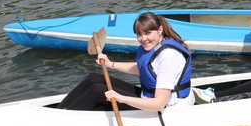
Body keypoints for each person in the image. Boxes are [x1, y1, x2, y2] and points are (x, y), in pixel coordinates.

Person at [57, 12, 192, 112]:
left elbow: (158, 104)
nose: (143, 39)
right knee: (94, 78)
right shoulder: (157, 45)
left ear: (160, 29)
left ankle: (65, 119)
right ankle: (60, 111)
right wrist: (110, 64)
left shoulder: (168, 57)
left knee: (97, 90)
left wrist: (121, 98)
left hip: (161, 106)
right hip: (147, 96)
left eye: (148, 33)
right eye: (139, 34)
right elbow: (144, 69)